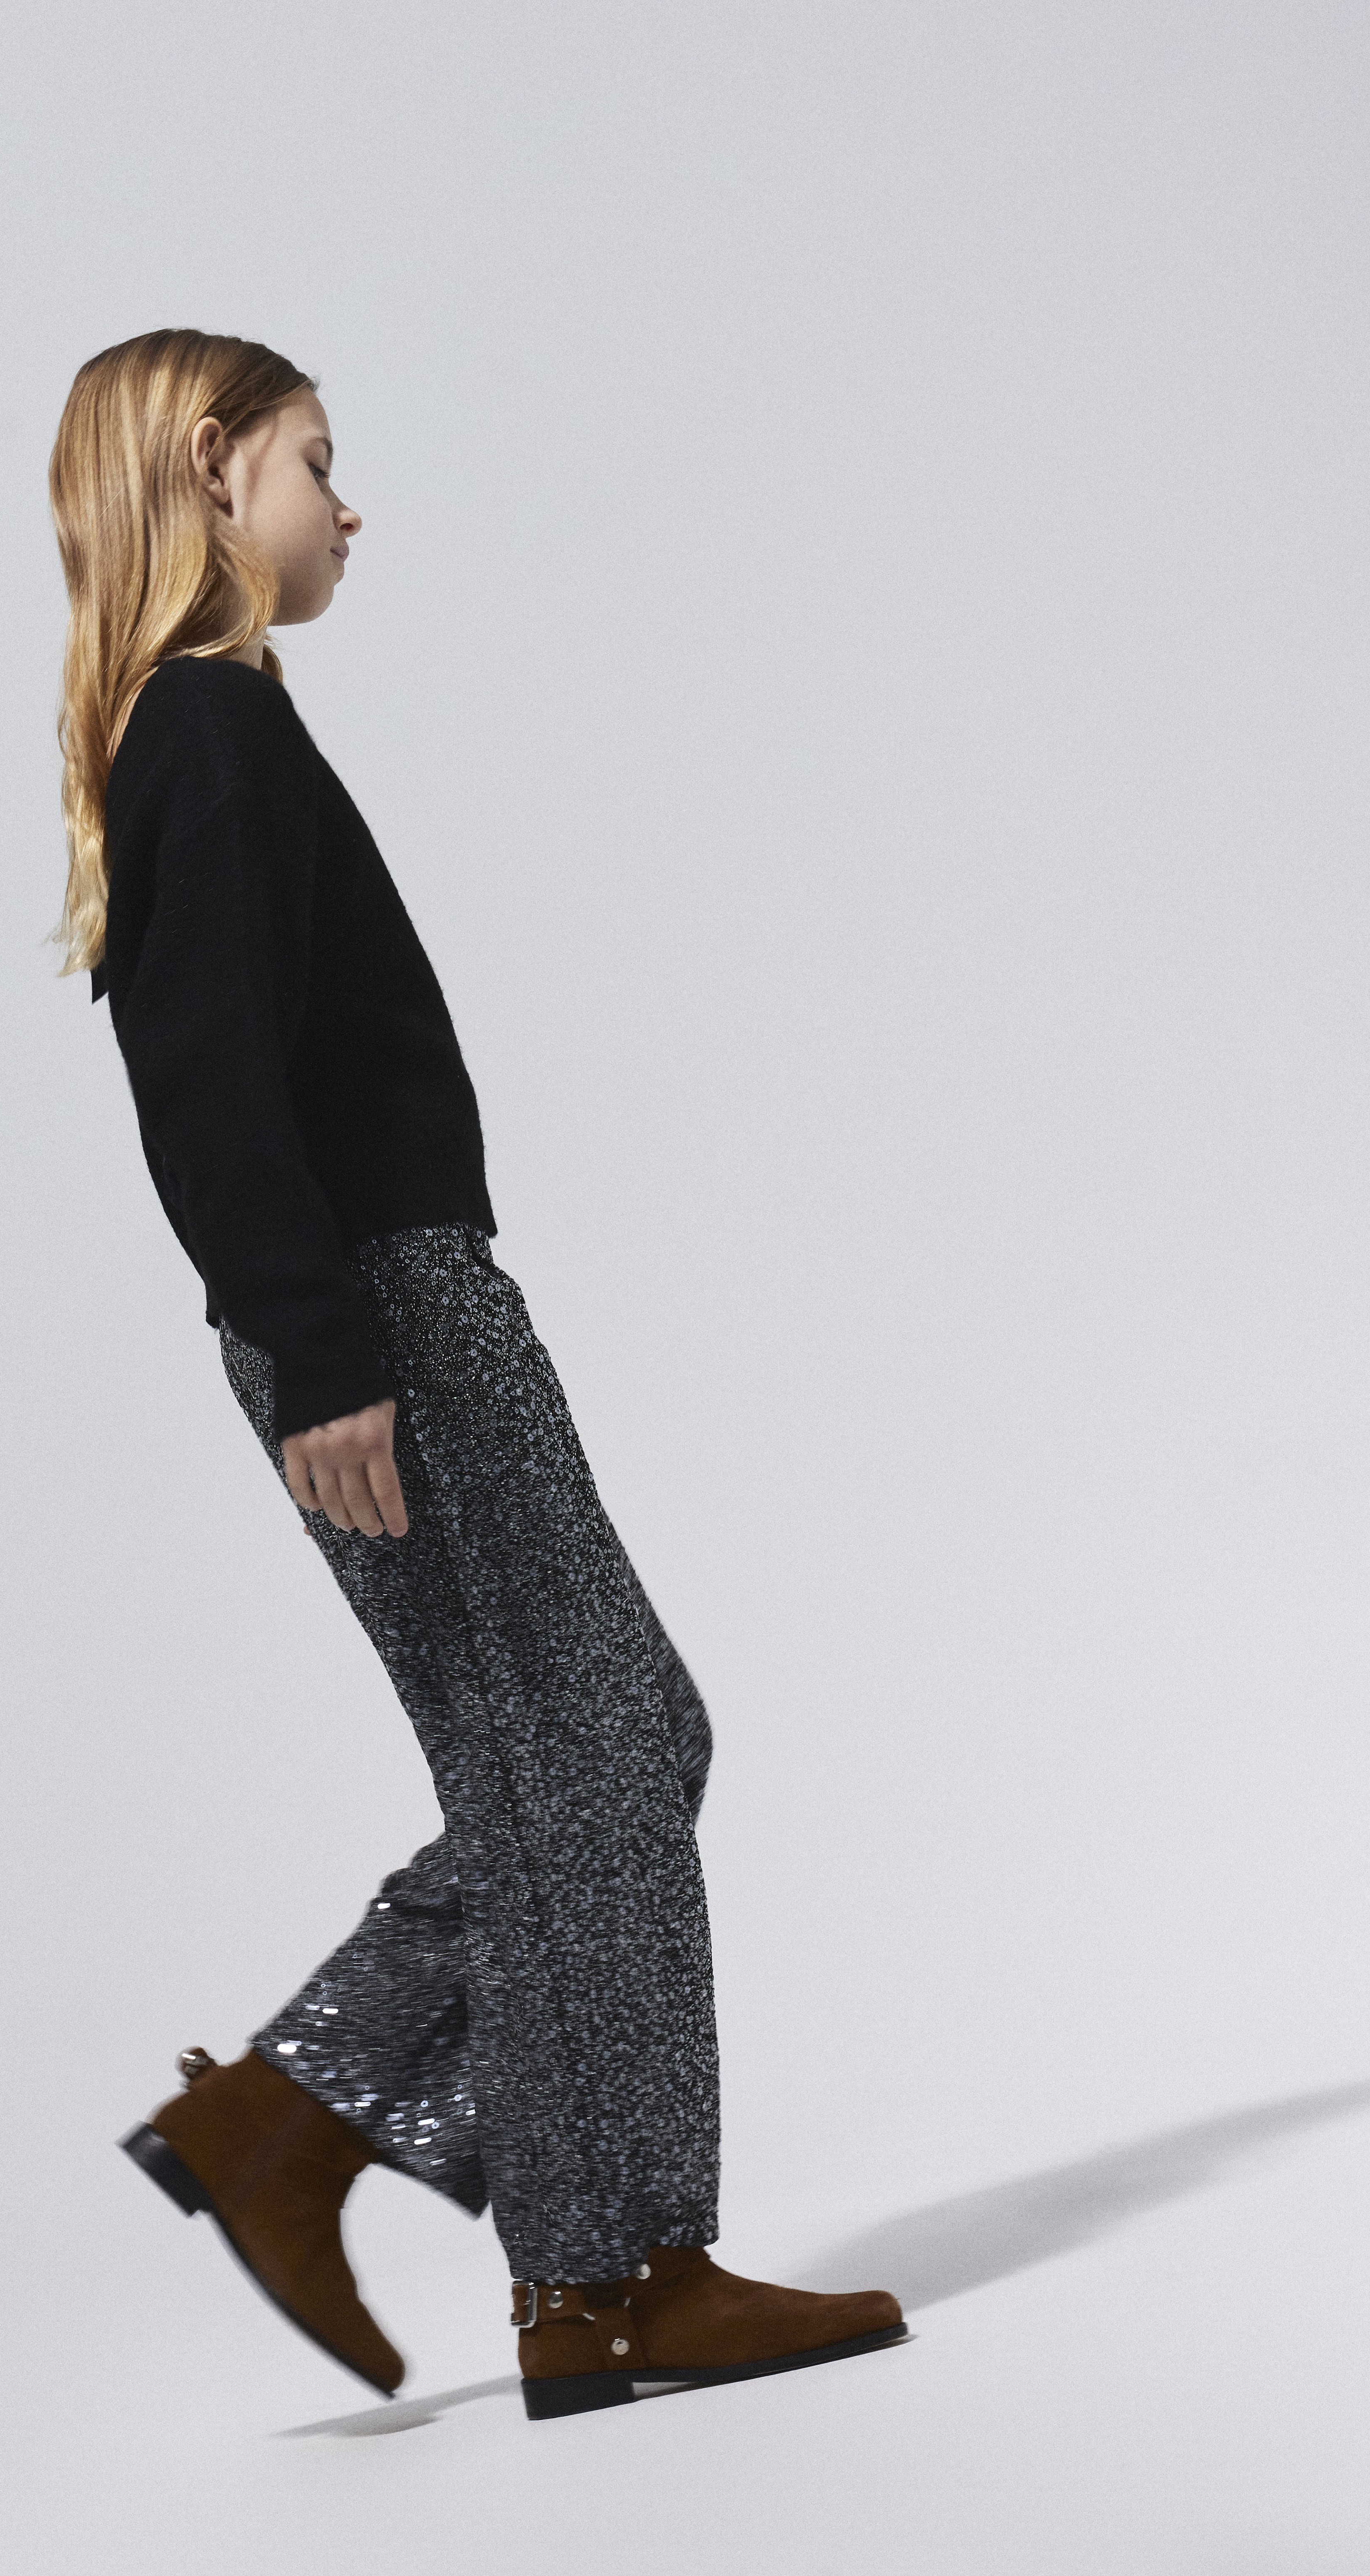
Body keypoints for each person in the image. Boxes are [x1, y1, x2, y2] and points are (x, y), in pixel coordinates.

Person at [48, 329, 905, 2421]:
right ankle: (602, 2272)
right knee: (599, 1745)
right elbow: (202, 1080)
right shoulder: (206, 731)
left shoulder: (216, 726)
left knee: (591, 1748)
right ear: (210, 467)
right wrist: (325, 1347)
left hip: (383, 1299)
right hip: (381, 1310)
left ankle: (327, 2143)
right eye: (315, 460)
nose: (348, 505)